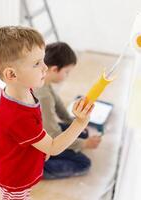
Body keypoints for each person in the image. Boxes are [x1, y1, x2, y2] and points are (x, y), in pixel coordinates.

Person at [0, 26, 94, 200]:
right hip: (16, 175)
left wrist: (41, 150)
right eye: (37, 63)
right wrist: (80, 123)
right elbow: (53, 146)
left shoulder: (23, 89)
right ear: (12, 75)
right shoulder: (18, 115)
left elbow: (37, 128)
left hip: (16, 164)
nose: (45, 68)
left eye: (42, 60)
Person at [34, 42, 102, 179]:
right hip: (40, 141)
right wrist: (84, 144)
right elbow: (53, 135)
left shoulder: (43, 81)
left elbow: (58, 106)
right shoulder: (43, 96)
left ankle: (46, 158)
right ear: (54, 69)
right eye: (66, 72)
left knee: (82, 133)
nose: (67, 76)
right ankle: (38, 168)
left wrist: (73, 122)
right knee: (84, 164)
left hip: (44, 131)